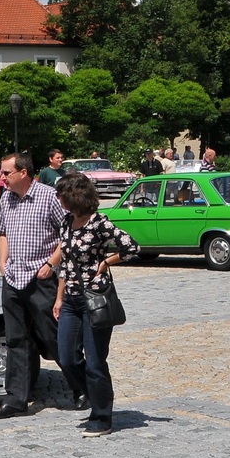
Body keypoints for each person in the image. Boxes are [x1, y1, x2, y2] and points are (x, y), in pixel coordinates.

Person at [47, 172, 138, 437]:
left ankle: (102, 416)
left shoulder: (99, 223)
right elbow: (65, 264)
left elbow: (131, 247)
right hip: (70, 301)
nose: (59, 199)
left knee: (95, 362)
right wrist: (59, 298)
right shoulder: (66, 222)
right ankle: (94, 395)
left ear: (74, 196)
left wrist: (106, 262)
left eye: (62, 195)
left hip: (94, 299)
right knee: (66, 357)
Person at [0, 151, 68, 420]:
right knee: (16, 339)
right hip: (13, 278)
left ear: (23, 172)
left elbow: (68, 234)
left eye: (6, 173)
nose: (1, 177)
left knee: (52, 336)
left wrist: (51, 264)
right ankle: (15, 400)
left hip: (41, 278)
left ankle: (81, 385)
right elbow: (3, 233)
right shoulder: (7, 198)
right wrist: (2, 262)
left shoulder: (49, 196)